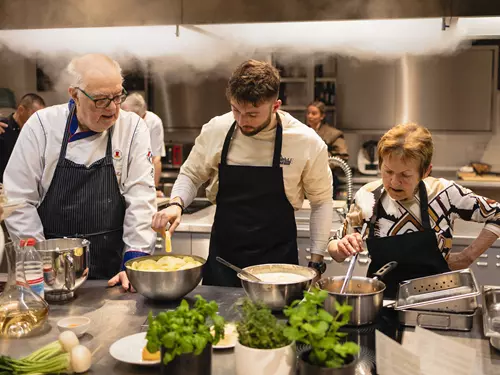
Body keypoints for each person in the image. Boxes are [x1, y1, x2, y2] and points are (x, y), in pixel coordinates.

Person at [152, 60, 334, 287]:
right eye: (235, 110)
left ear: (276, 106)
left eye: (252, 114)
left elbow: (322, 202)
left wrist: (316, 262)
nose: (241, 121)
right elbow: (191, 175)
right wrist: (176, 204)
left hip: (278, 268)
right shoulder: (217, 129)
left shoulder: (305, 142)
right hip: (223, 261)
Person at [3, 54, 157, 291]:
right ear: (74, 94)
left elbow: (140, 197)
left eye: (117, 96)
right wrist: (43, 264)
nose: (113, 109)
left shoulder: (133, 127)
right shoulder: (42, 127)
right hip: (50, 275)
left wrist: (133, 261)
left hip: (115, 274)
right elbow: (19, 201)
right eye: (101, 100)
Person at [327, 123, 500, 297]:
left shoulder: (444, 193)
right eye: (388, 171)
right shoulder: (368, 196)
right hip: (383, 302)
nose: (394, 182)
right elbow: (335, 245)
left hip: (436, 301)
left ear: (426, 172)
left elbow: (497, 213)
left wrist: (467, 256)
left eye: (405, 175)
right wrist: (341, 248)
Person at [121, 93, 166, 197]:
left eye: (130, 114)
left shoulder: (154, 122)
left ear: (139, 113)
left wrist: (153, 188)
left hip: (144, 171)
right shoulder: (121, 120)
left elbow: (156, 158)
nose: (125, 117)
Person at [0, 94, 46, 183]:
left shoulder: (36, 132)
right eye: (35, 115)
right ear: (21, 110)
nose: (39, 120)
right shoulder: (2, 127)